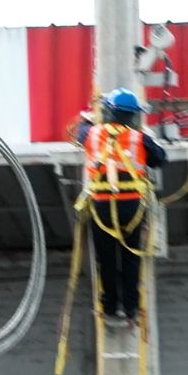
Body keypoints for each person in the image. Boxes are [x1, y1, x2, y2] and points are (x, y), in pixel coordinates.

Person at [72, 88, 166, 323]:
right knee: (131, 257)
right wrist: (147, 137)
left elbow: (80, 131)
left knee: (106, 259)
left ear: (108, 112)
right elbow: (160, 159)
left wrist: (88, 119)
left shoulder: (92, 134)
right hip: (131, 208)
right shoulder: (139, 138)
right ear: (132, 115)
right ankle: (131, 308)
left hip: (102, 207)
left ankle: (110, 308)